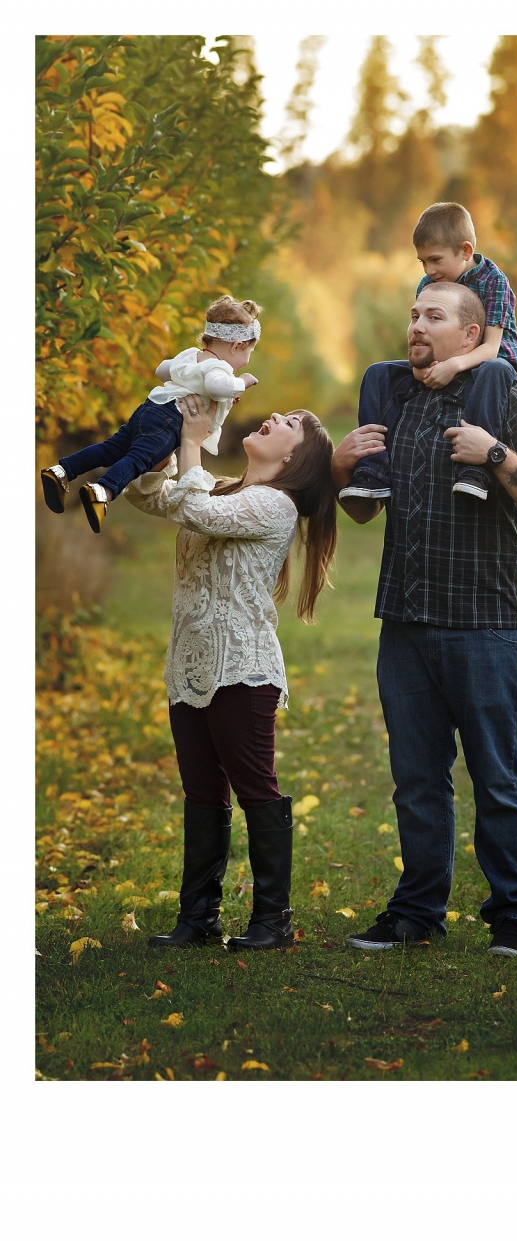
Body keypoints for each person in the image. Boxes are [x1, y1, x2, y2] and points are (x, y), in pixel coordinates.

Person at [332, 280, 517, 957]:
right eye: (413, 313)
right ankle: (415, 914)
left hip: (485, 624)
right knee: (416, 779)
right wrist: (341, 463)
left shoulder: (506, 401)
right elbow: (361, 509)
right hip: (404, 623)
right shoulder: (396, 404)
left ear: (471, 336)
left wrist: (493, 454)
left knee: (496, 776)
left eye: (433, 316)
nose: (416, 325)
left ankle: (513, 916)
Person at [123, 396, 337, 950]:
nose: (275, 418)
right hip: (190, 661)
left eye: (289, 425)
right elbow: (153, 499)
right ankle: (198, 920)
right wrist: (159, 452)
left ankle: (273, 921)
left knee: (253, 789)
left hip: (242, 668)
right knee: (201, 791)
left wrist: (193, 442)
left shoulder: (276, 506)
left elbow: (198, 514)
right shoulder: (221, 487)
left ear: (296, 460)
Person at [340, 201, 517, 505]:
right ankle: (373, 470)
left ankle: (474, 471)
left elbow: (491, 348)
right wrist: (419, 369)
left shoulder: (494, 282)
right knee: (378, 373)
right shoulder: (430, 283)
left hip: (490, 366)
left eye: (435, 260)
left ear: (465, 252)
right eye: (422, 261)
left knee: (496, 371)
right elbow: (420, 335)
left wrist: (453, 365)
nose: (429, 270)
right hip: (446, 363)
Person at [40, 296, 260, 534]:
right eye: (248, 354)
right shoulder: (220, 368)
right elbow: (218, 385)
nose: (244, 364)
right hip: (170, 420)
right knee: (140, 459)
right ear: (236, 345)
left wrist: (192, 379)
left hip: (150, 407)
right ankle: (103, 490)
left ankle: (61, 471)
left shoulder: (190, 356)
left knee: (111, 448)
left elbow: (162, 370)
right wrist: (241, 383)